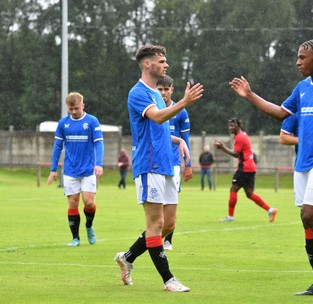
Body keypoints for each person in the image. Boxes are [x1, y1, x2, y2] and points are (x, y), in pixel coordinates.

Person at [229, 39, 313, 296]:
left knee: (310, 215)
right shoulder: (302, 88)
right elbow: (281, 113)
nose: (298, 62)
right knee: (307, 223)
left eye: (302, 57)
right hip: (302, 164)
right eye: (297, 57)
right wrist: (249, 95)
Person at [113, 45, 203, 292]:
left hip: (166, 165)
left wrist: (180, 141)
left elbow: (161, 130)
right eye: (162, 61)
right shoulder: (138, 93)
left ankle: (128, 257)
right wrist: (184, 101)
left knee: (168, 224)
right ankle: (168, 279)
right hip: (149, 164)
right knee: (155, 224)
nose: (166, 65)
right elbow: (158, 118)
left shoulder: (155, 93)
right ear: (147, 64)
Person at [47, 92, 104, 247]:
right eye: (71, 109)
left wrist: (99, 164)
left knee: (89, 202)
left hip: (87, 170)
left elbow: (99, 143)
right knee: (73, 203)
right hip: (70, 170)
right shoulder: (63, 124)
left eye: (76, 108)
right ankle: (75, 238)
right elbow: (57, 147)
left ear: (82, 105)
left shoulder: (92, 121)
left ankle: (89, 225)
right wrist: (53, 170)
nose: (73, 112)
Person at [280, 113, 313, 267]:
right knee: (306, 215)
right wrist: (305, 140)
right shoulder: (296, 110)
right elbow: (283, 138)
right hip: (303, 165)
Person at [214, 117, 278, 222]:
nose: (230, 127)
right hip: (250, 167)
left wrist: (223, 147)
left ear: (238, 126)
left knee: (233, 189)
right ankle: (270, 210)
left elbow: (235, 154)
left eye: (232, 125)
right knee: (249, 193)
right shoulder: (242, 135)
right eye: (229, 125)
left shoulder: (239, 137)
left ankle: (230, 217)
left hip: (244, 168)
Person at [157, 75, 193, 251]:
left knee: (171, 203)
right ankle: (156, 238)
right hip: (155, 164)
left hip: (173, 164)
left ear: (172, 90)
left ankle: (168, 241)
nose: (163, 92)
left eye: (166, 89)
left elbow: (185, 138)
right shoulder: (153, 110)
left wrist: (189, 164)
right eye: (160, 89)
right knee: (159, 203)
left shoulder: (181, 111)